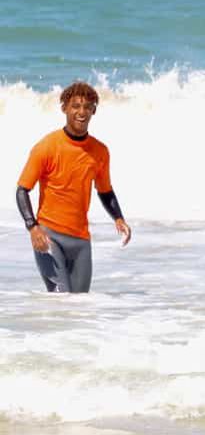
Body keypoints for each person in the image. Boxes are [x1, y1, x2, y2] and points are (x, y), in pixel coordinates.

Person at [16, 81, 132, 293]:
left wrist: (118, 218)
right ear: (64, 108)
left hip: (80, 241)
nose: (82, 112)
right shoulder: (47, 147)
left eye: (87, 107)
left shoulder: (100, 151)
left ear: (94, 111)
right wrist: (33, 227)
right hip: (49, 236)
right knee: (61, 302)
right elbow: (22, 190)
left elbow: (105, 190)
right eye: (75, 106)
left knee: (79, 309)